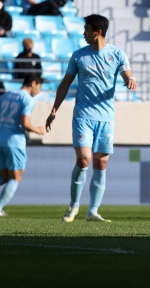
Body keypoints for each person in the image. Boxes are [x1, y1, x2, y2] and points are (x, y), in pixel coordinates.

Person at [45, 14, 138, 223]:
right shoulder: (79, 56)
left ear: (98, 32)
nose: (83, 33)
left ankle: (93, 211)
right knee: (84, 160)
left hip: (106, 118)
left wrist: (130, 80)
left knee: (101, 164)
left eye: (86, 30)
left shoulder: (117, 54)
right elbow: (65, 84)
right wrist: (54, 110)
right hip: (83, 116)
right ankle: (74, 206)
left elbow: (127, 74)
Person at [0, 74, 45, 216]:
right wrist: (38, 130)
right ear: (33, 83)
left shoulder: (7, 95)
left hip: (0, 140)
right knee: (15, 177)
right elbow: (25, 123)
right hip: (15, 142)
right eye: (39, 87)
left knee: (3, 177)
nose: (38, 92)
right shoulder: (27, 99)